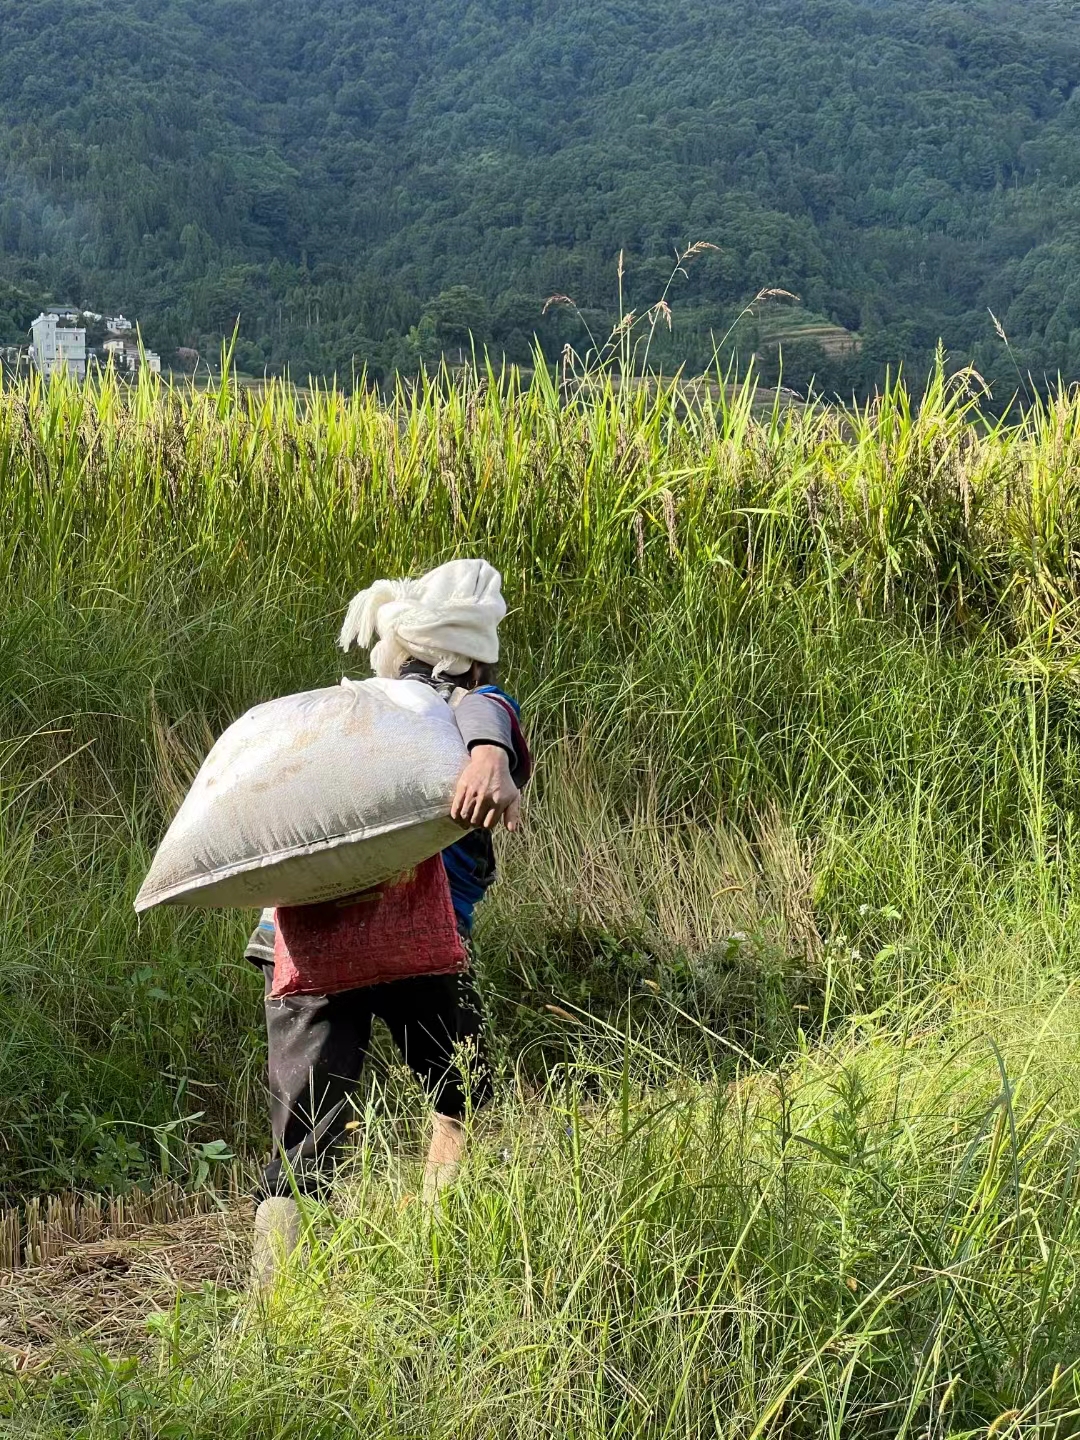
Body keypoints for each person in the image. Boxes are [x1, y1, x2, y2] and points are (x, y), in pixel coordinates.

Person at [249, 559, 530, 1285]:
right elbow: (485, 711)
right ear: (470, 661)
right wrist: (492, 756)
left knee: (304, 1137)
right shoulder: (462, 705)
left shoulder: (340, 716)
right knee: (462, 1097)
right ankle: (439, 1257)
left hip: (305, 948)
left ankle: (277, 1303)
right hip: (421, 947)